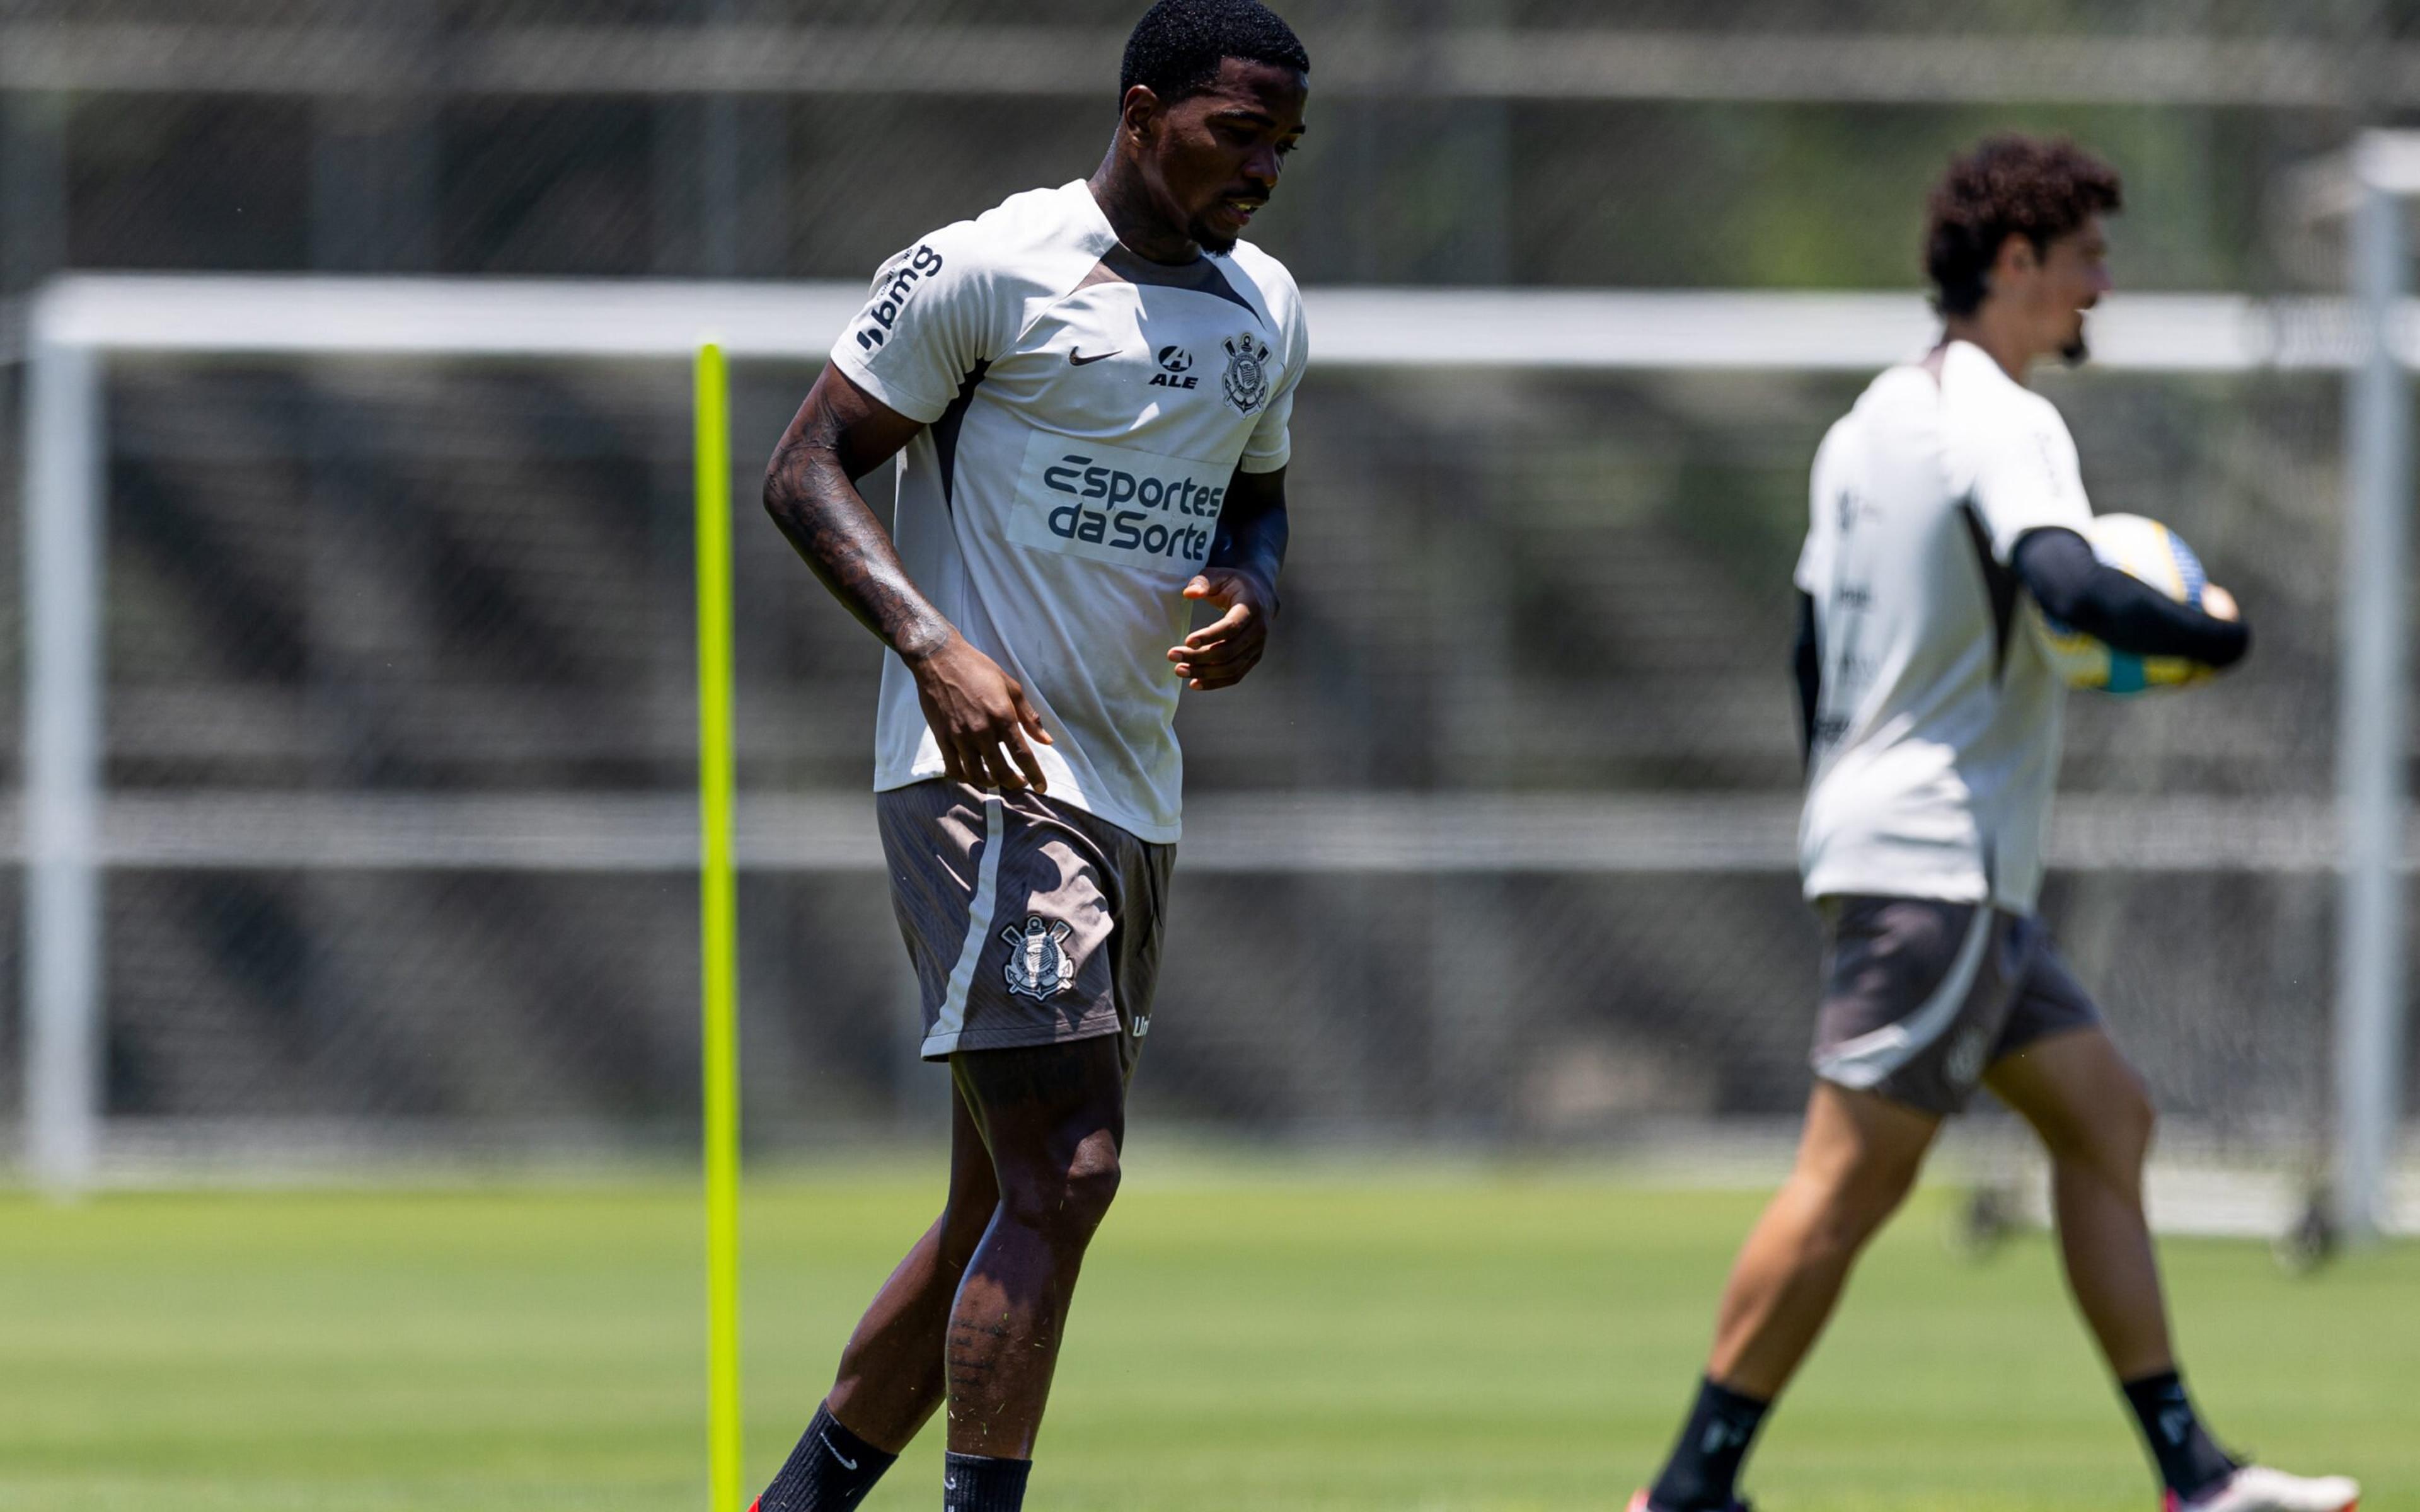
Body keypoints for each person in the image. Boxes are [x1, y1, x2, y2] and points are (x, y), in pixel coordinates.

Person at [1630, 135, 2359, 1512]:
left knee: (2106, 1121)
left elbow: (1806, 646)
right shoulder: (2001, 416)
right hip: (1939, 866)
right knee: (1846, 1185)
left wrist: (1845, 801)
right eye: (2085, 257)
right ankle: (1684, 1491)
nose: (2100, 286)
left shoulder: (1871, 423)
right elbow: (2069, 582)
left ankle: (2193, 1475)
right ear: (2014, 262)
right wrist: (2215, 634)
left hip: (1909, 852)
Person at [747, 3, 1308, 1508]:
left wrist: (1252, 587)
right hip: (991, 782)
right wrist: (935, 647)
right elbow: (802, 473)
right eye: (1237, 134)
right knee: (1072, 1172)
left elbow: (1253, 494)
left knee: (1006, 1199)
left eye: (1285, 145)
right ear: (1141, 116)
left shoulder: (1266, 309)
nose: (1265, 169)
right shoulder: (991, 268)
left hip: (1134, 782)